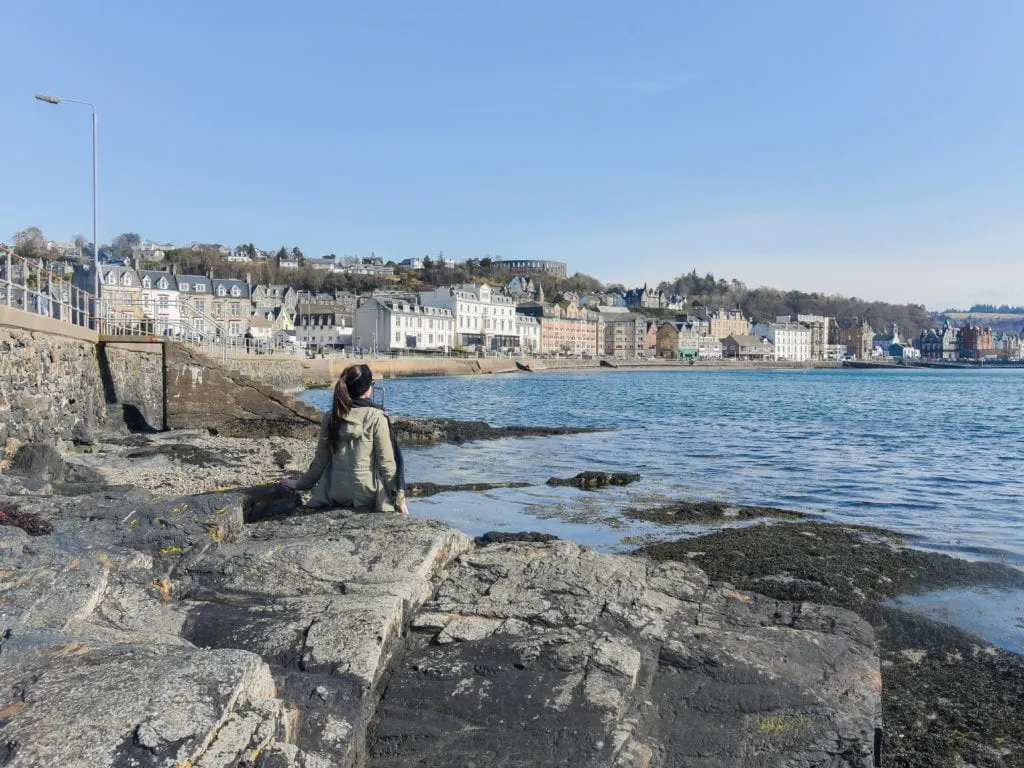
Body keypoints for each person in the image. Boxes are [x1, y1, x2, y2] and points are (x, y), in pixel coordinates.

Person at [281, 364, 408, 514]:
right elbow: (386, 464)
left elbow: (320, 461)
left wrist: (300, 484)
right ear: (367, 388)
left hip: (336, 491)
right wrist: (400, 500)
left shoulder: (331, 416)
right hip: (367, 494)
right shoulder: (376, 417)